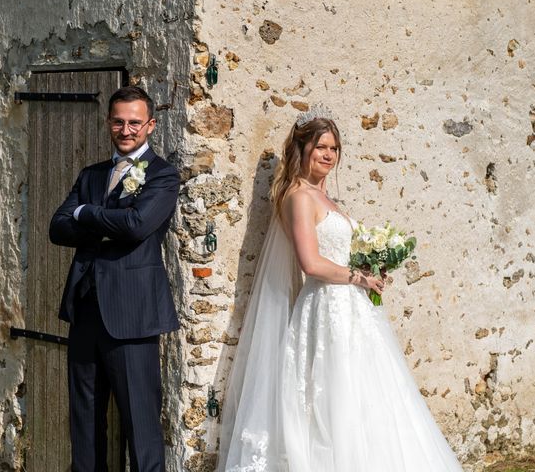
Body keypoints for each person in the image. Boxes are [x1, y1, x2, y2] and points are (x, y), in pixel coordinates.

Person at [218, 107, 463, 471]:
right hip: (325, 309)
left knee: (365, 395)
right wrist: (358, 277)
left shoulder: (325, 197)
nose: (329, 155)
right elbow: (311, 264)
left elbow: (335, 253)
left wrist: (370, 270)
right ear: (301, 149)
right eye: (320, 147)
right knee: (331, 400)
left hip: (352, 310)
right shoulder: (299, 197)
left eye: (334, 148)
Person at [49, 85, 180, 472]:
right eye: (119, 121)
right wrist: (108, 223)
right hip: (86, 310)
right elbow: (57, 228)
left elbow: (138, 225)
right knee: (85, 423)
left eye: (135, 123)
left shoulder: (162, 175)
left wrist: (86, 214)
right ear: (109, 122)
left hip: (133, 314)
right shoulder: (91, 174)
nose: (126, 130)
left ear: (151, 125)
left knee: (140, 426)